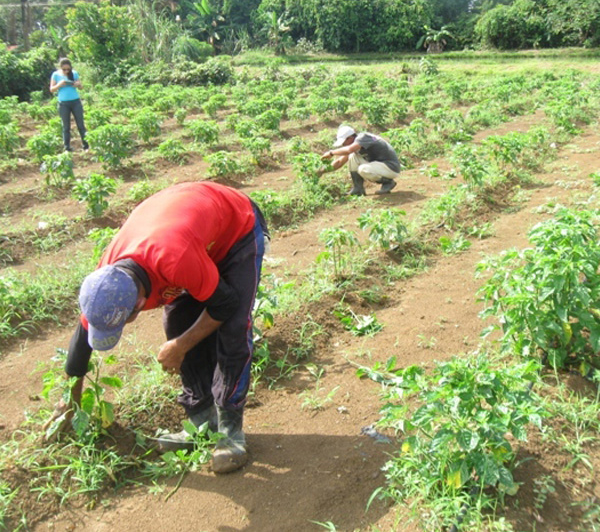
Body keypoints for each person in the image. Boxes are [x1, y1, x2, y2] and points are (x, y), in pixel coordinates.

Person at [49, 182, 269, 474]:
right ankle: (203, 420)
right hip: (186, 230)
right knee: (178, 321)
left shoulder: (175, 260)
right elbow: (81, 342)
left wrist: (180, 346)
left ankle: (230, 431)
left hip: (235, 231)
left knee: (233, 327)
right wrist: (70, 402)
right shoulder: (106, 282)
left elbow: (224, 305)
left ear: (140, 304)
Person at [320, 125, 401, 196]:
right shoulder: (356, 145)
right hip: (380, 166)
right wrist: (321, 171)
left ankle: (388, 182)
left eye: (344, 143)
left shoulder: (363, 137)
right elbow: (340, 162)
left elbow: (348, 150)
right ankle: (358, 189)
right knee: (352, 156)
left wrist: (331, 153)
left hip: (390, 167)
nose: (343, 145)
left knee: (363, 169)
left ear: (350, 138)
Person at [50, 58, 89, 153]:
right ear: (61, 68)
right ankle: (67, 147)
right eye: (64, 69)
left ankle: (86, 146)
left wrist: (78, 85)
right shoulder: (56, 75)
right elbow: (51, 89)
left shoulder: (74, 73)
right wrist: (59, 84)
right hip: (63, 103)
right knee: (66, 126)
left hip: (76, 102)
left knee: (81, 125)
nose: (67, 71)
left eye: (68, 69)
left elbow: (81, 87)